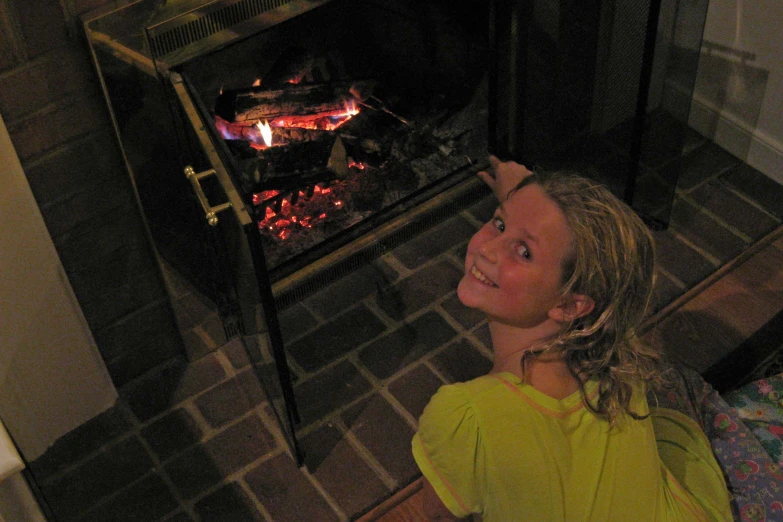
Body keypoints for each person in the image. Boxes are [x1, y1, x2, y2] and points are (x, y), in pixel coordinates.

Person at [411, 156, 733, 521]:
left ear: (570, 304)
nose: (487, 248)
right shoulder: (616, 356)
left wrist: (521, 203)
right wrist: (527, 195)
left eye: (524, 251)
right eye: (499, 223)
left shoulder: (466, 419)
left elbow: (436, 519)